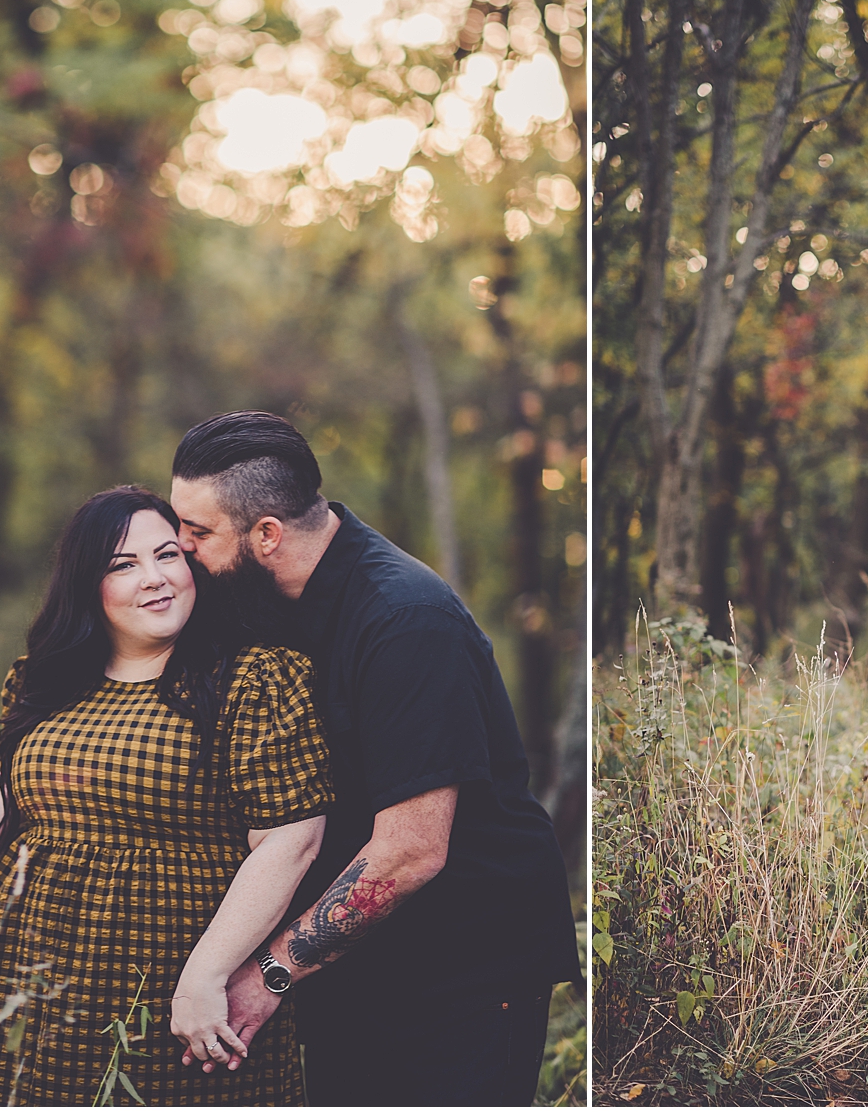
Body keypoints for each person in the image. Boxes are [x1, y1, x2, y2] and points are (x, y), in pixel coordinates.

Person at [168, 410, 581, 1106]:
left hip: (464, 966)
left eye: (197, 532)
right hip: (355, 962)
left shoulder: (406, 619)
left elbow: (410, 851)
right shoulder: (257, 596)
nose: (181, 548)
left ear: (266, 534)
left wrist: (268, 972)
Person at [0, 486, 331, 1104]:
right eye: (123, 565)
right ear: (86, 584)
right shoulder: (44, 677)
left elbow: (292, 839)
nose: (154, 579)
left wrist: (204, 976)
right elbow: (13, 772)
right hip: (27, 985)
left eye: (167, 555)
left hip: (173, 991)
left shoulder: (251, 679)